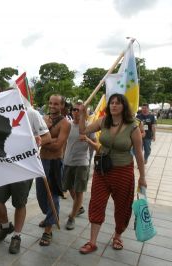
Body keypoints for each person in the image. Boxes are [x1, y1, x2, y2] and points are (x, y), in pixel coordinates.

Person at [78, 93, 147, 254]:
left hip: (123, 172)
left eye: (117, 103)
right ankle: (92, 242)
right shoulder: (103, 121)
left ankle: (117, 236)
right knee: (96, 203)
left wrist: (142, 178)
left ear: (124, 106)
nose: (114, 105)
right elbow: (83, 130)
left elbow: (139, 154)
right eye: (112, 103)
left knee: (122, 207)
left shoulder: (133, 127)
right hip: (102, 171)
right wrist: (82, 114)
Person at [0, 106, 51, 254]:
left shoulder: (31, 113)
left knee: (19, 203)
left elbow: (47, 137)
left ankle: (16, 236)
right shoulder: (0, 112)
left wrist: (37, 141)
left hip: (24, 166)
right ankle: (5, 226)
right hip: (4, 165)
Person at [36, 94, 71, 246]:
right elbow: (34, 138)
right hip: (41, 161)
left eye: (56, 104)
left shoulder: (65, 123)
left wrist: (44, 141)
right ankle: (49, 215)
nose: (52, 106)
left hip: (55, 162)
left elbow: (58, 146)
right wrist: (49, 138)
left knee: (53, 196)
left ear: (62, 106)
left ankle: (48, 230)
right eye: (50, 103)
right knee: (41, 196)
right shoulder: (42, 119)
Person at [62, 102, 97, 230]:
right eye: (74, 110)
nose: (76, 112)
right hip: (67, 162)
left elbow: (96, 145)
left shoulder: (89, 127)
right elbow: (65, 142)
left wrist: (87, 140)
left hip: (82, 163)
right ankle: (79, 207)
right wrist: (62, 156)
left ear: (85, 112)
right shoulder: (68, 125)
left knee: (79, 190)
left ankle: (72, 217)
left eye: (79, 110)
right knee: (69, 187)